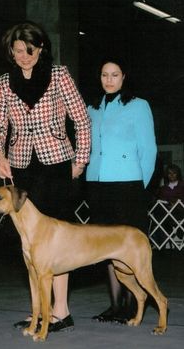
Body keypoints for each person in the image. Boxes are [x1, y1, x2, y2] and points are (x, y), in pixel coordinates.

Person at [0, 21, 91, 332]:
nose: (24, 56)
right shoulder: (4, 82)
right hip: (22, 168)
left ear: (41, 48)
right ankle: (39, 313)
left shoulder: (59, 75)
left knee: (56, 244)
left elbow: (82, 120)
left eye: (29, 50)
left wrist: (80, 161)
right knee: (30, 244)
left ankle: (61, 310)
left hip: (57, 164)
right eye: (18, 51)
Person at [86, 57, 157, 323]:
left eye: (115, 75)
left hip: (129, 186)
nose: (109, 80)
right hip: (98, 185)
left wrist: (141, 187)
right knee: (106, 249)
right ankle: (115, 305)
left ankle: (131, 304)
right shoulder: (92, 108)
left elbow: (148, 150)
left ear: (124, 77)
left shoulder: (139, 106)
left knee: (128, 249)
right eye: (104, 74)